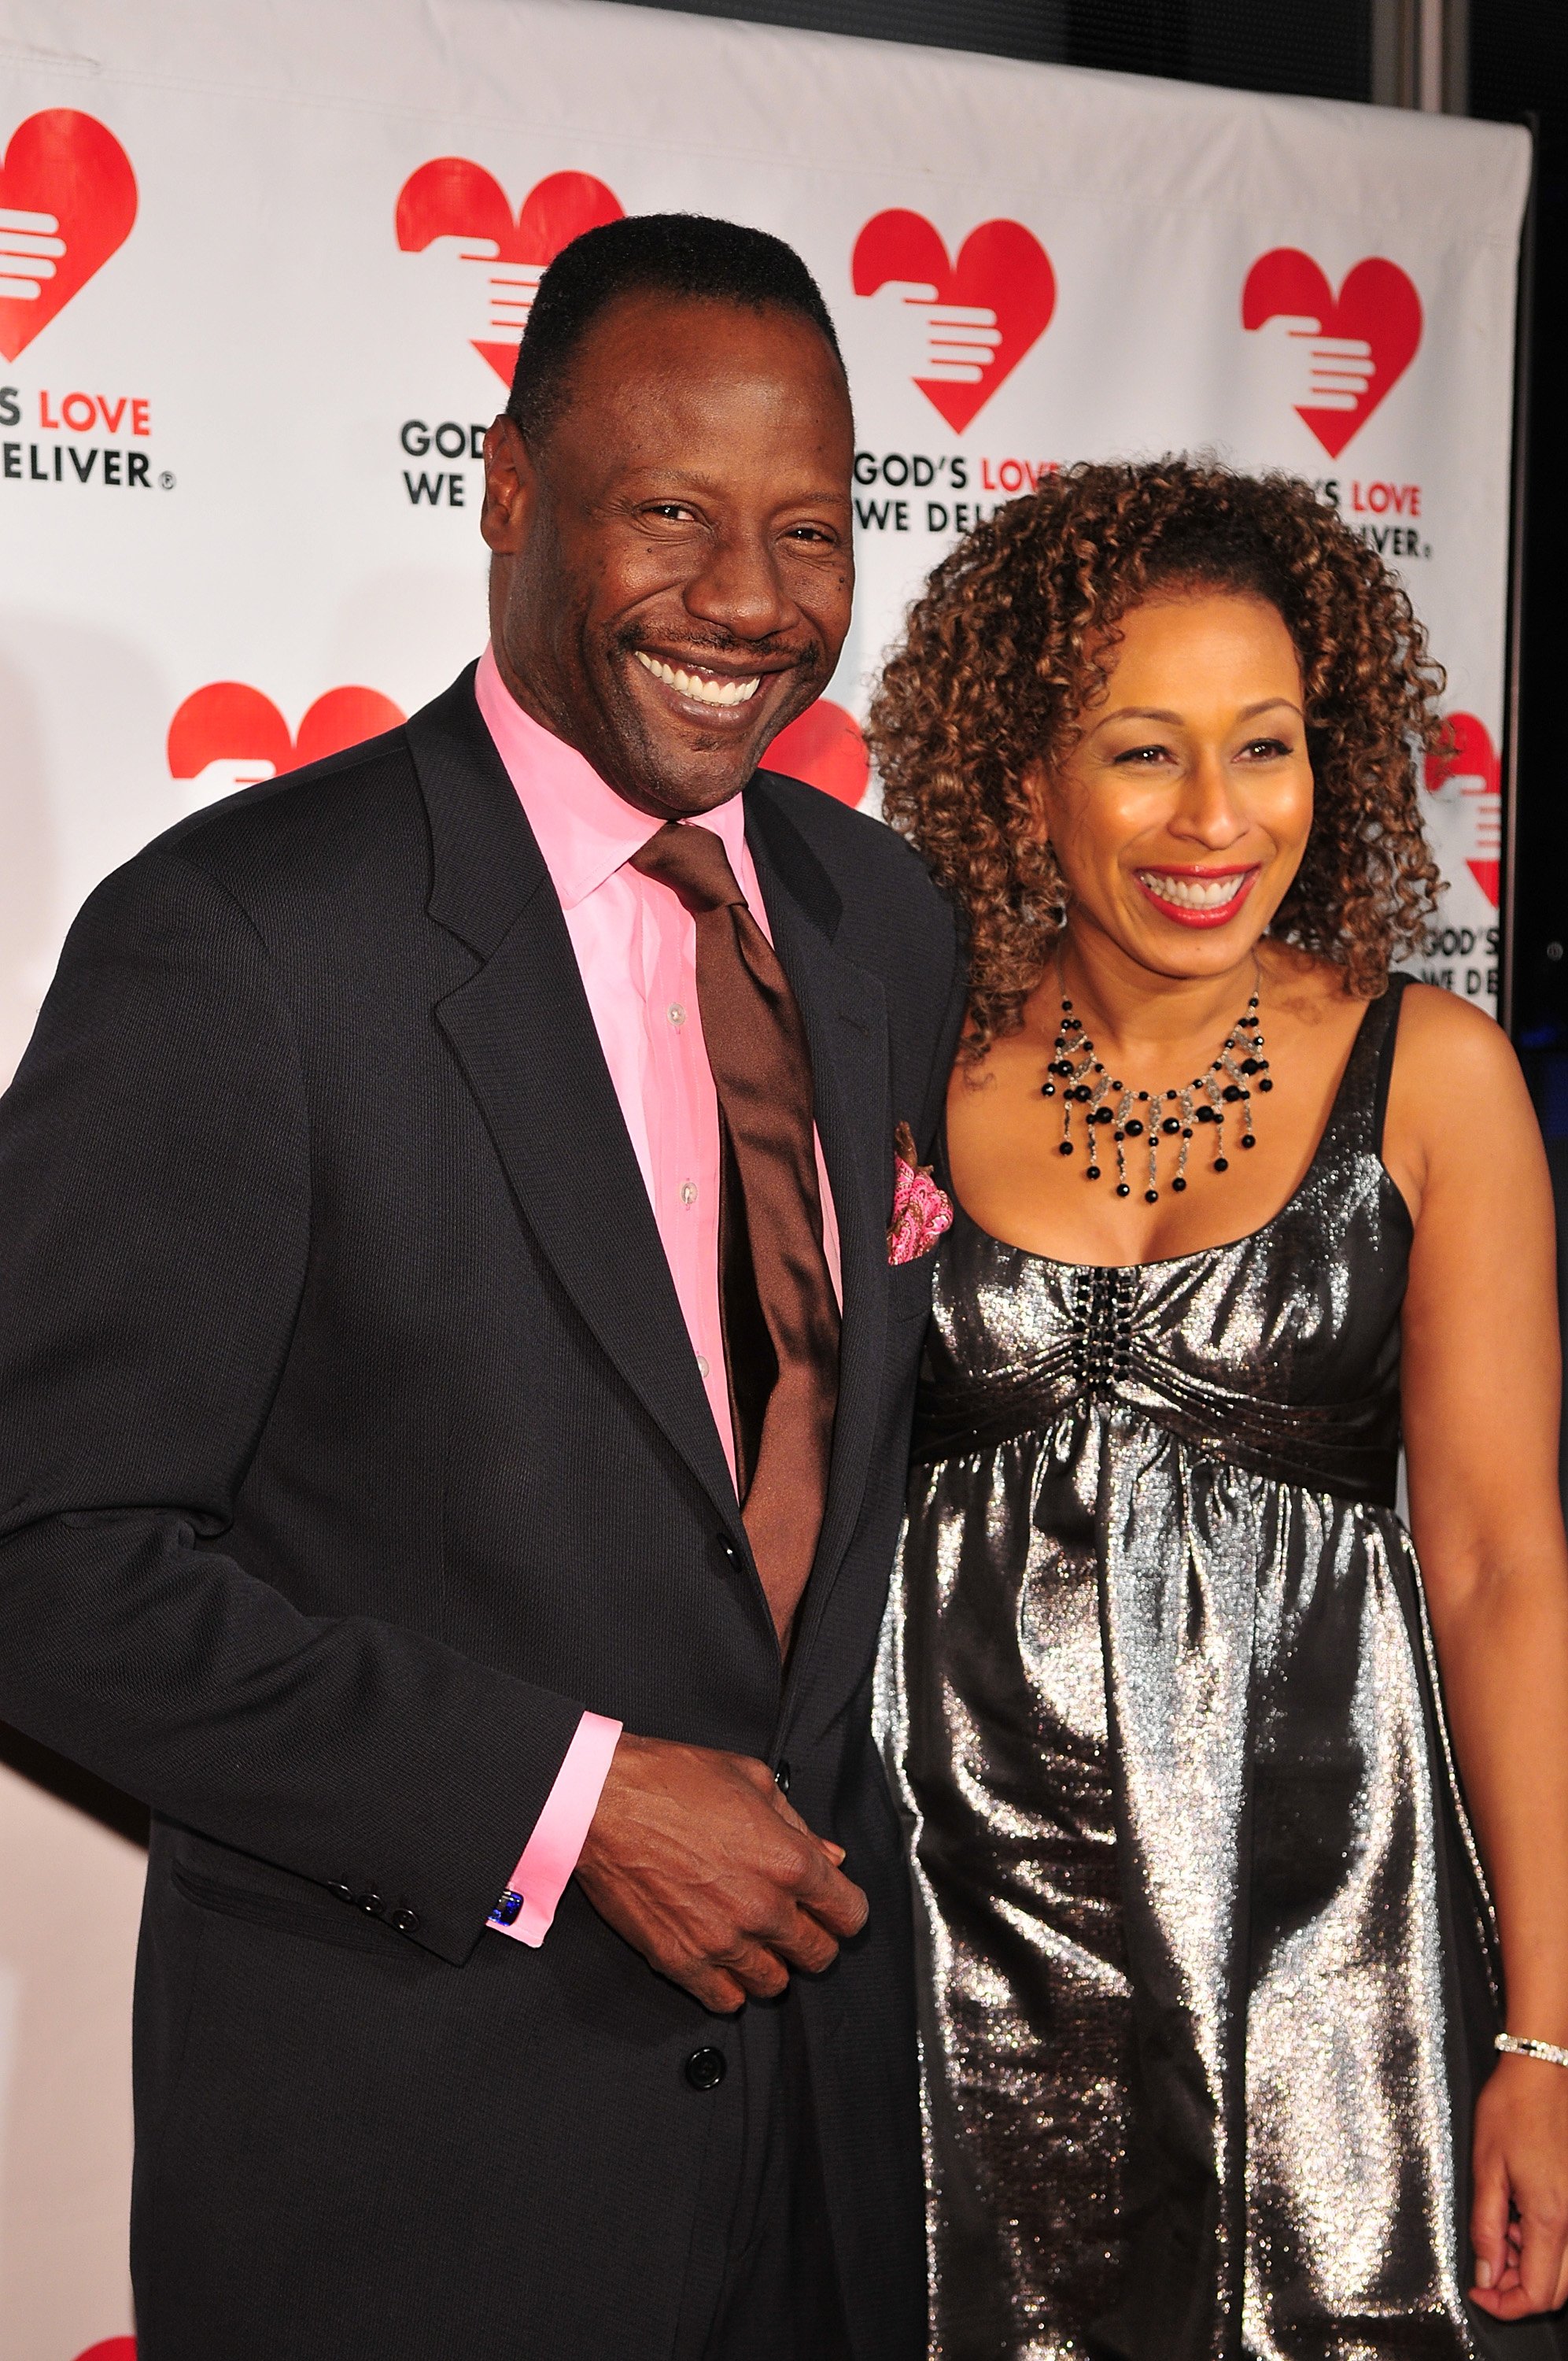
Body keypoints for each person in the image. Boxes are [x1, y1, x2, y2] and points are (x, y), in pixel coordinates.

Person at [0, 215, 964, 2359]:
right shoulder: (242, 946)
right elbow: (39, 1557)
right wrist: (568, 1798)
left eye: (809, 528)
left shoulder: (881, 922)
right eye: (672, 516)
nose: (751, 602)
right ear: (510, 496)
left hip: (826, 2159)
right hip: (418, 2177)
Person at [869, 458, 1568, 2357]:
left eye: (1263, 747)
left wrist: (1547, 2035)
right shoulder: (896, 1060)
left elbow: (1500, 1564)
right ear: (1024, 774)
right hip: (951, 1942)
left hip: (1335, 1945)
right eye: (1141, 753)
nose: (1214, 819)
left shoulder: (1433, 1076)